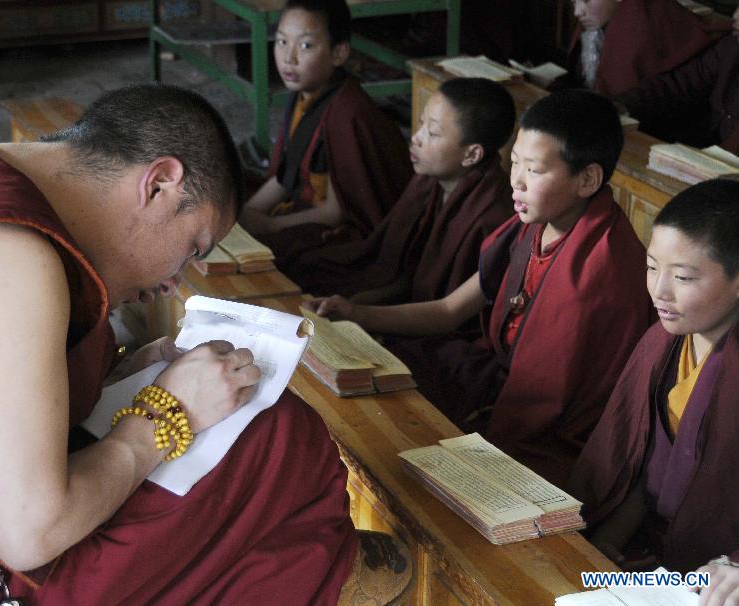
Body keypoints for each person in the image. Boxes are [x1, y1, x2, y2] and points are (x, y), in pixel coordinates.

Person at [0, 84, 411, 605]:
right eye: (192, 247)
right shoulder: (13, 263)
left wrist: (119, 376)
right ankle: (323, 578)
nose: (172, 282)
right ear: (159, 184)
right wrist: (167, 414)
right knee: (274, 437)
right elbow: (27, 534)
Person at [306, 90, 654, 486]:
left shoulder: (599, 271)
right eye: (515, 163)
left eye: (535, 171)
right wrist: (356, 313)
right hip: (496, 379)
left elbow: (544, 402)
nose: (517, 182)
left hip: (547, 431)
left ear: (588, 178)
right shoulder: (538, 223)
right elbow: (452, 309)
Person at [567, 179, 739, 604]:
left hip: (713, 579)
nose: (659, 291)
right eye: (651, 267)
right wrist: (606, 545)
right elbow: (647, 467)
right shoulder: (660, 344)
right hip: (653, 568)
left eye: (682, 276)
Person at [287, 77, 515, 320]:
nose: (416, 137)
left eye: (433, 133)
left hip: (446, 326)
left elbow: (447, 310)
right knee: (306, 267)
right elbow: (410, 272)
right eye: (420, 124)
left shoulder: (492, 216)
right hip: (415, 306)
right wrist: (354, 304)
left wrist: (358, 314)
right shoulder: (430, 179)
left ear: (471, 155)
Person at [239, 0, 412, 270]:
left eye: (305, 45)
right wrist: (246, 215)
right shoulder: (305, 94)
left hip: (342, 228)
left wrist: (269, 225)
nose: (289, 58)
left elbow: (337, 211)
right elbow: (286, 177)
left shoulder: (349, 112)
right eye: (282, 42)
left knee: (283, 263)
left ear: (339, 53)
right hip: (303, 206)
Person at [616, 6, 739, 154]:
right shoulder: (731, 46)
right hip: (699, 156)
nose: (735, 15)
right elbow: (678, 85)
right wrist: (622, 107)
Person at [564, 0, 723, 97]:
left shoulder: (641, 18)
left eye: (586, 0)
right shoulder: (598, 21)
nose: (577, 12)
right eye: (573, 2)